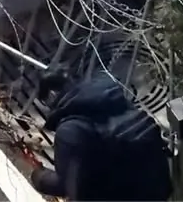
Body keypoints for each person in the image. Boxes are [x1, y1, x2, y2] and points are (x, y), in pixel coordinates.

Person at [26, 68, 173, 201]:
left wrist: (39, 177)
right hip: (158, 189)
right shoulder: (113, 98)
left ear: (51, 94)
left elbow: (69, 186)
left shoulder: (70, 130)